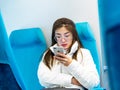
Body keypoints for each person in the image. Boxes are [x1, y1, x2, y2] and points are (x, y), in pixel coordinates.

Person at [37, 18, 100, 90]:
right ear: (55, 38)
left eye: (66, 36)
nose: (63, 40)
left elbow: (92, 82)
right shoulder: (48, 54)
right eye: (58, 36)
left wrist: (71, 64)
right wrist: (71, 80)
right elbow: (43, 79)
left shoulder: (84, 53)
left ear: (73, 35)